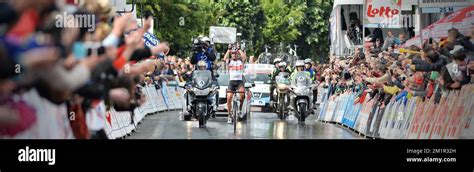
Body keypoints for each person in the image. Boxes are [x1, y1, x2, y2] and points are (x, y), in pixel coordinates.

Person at [223, 46, 247, 124]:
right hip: (232, 82)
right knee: (229, 97)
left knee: (242, 95)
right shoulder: (229, 61)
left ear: (237, 54)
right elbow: (224, 58)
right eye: (232, 53)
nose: (234, 54)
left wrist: (239, 49)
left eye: (235, 53)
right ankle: (229, 115)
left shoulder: (240, 61)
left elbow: (244, 57)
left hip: (239, 82)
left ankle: (239, 109)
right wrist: (228, 50)